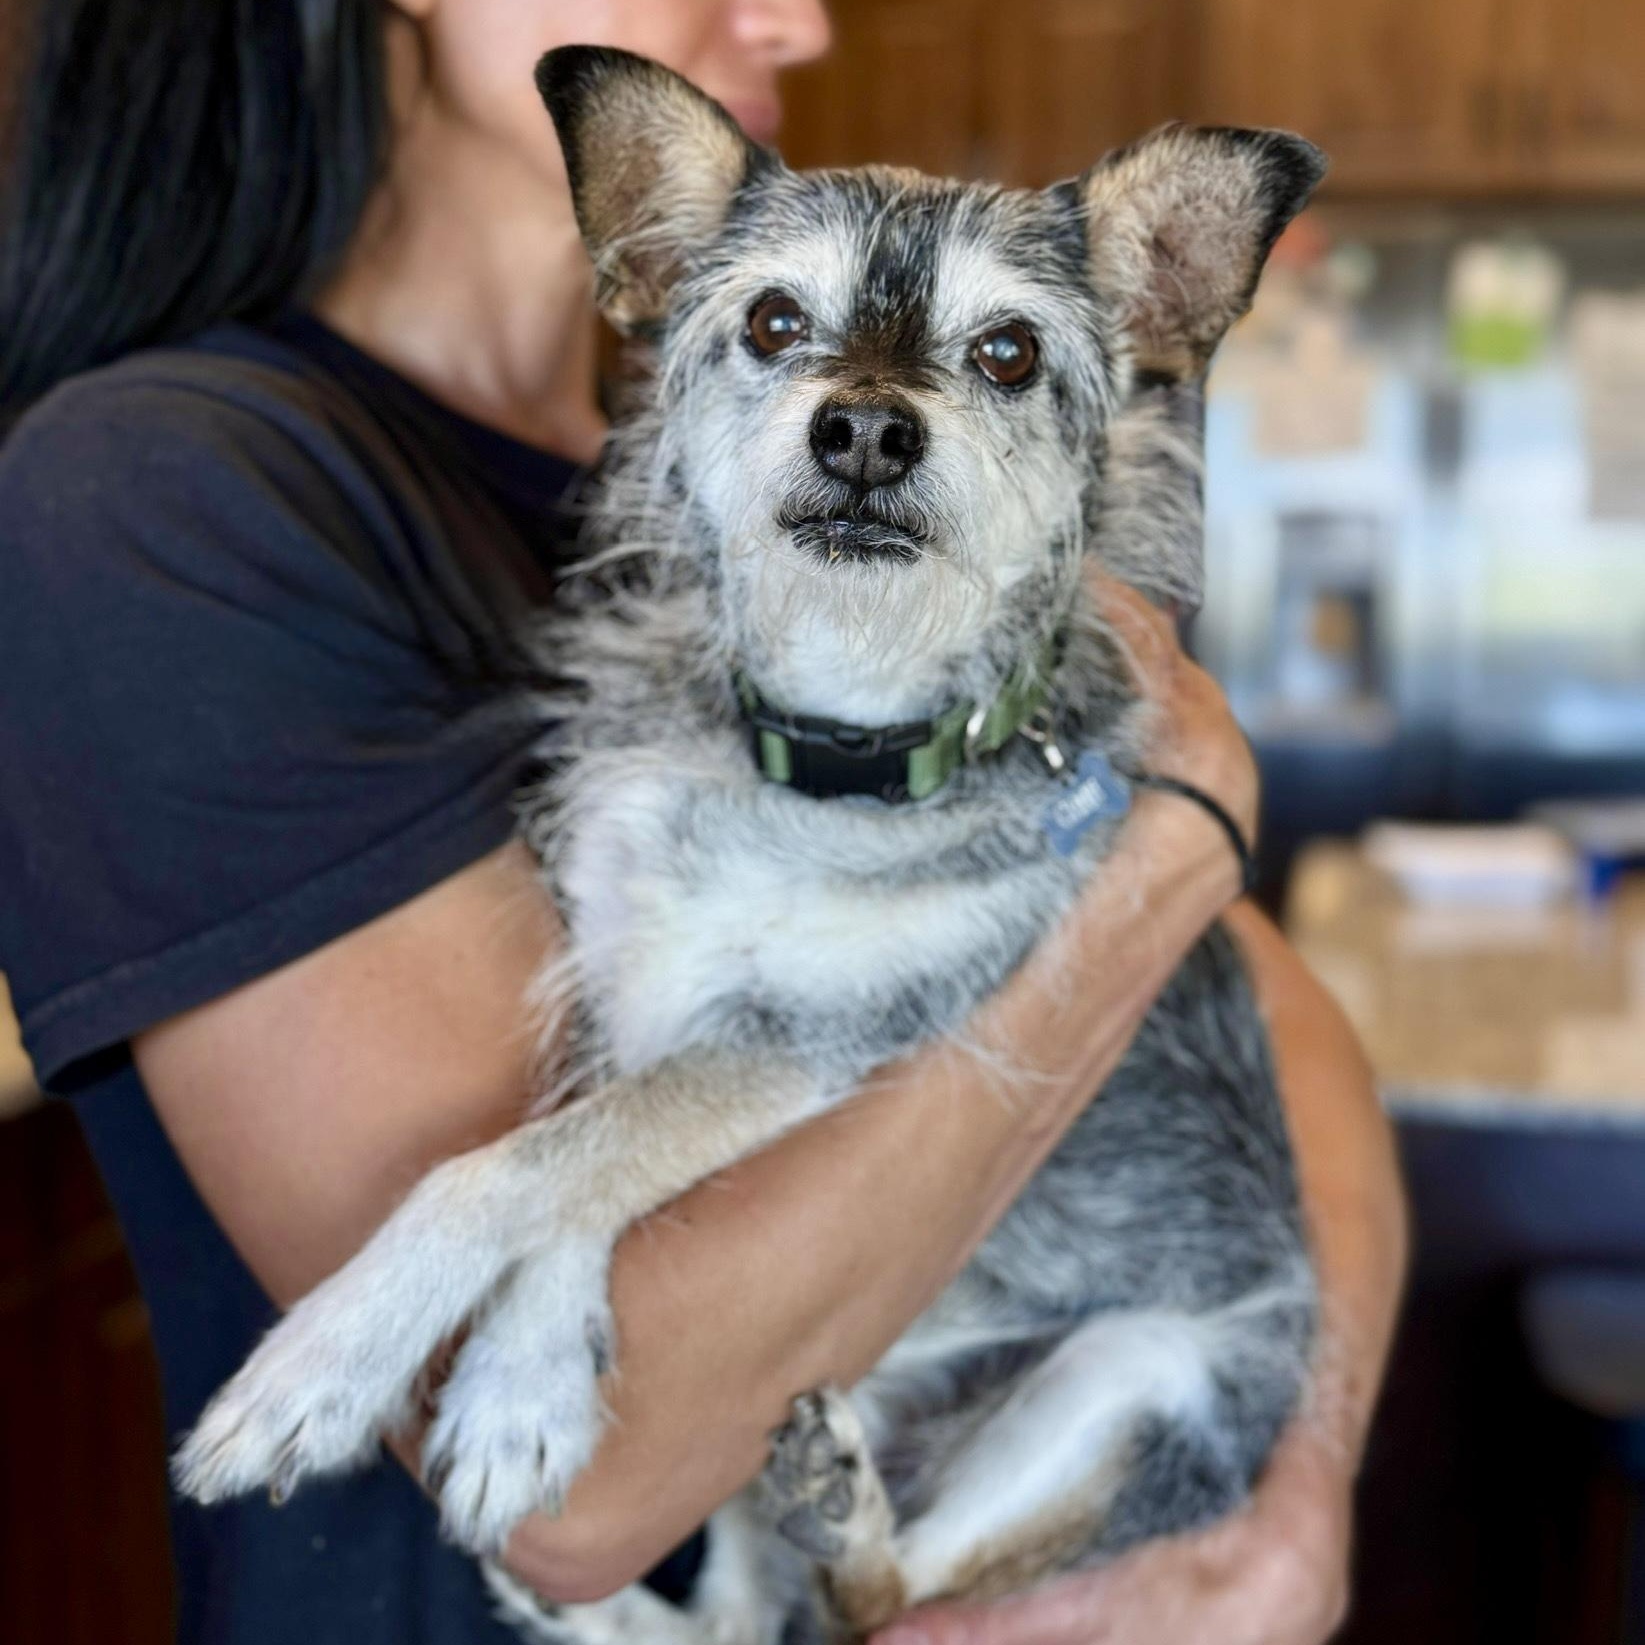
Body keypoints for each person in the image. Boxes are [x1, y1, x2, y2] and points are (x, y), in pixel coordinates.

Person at [0, 4, 1406, 1644]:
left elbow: (1260, 1019)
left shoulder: (865, 544)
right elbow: (585, 1496)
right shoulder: (164, 497)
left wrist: (1287, 1486)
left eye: (1000, 356)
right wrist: (1170, 828)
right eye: (779, 330)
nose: (794, 19)